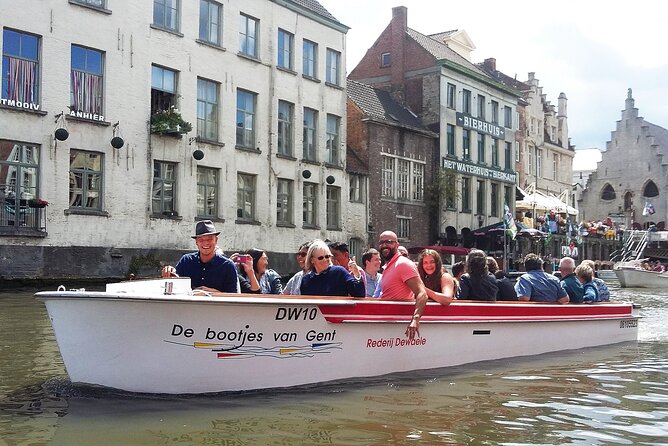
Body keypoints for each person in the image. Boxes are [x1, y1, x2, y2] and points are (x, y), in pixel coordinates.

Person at [160, 220, 239, 293]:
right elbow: (175, 287)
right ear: (196, 242)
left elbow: (234, 298)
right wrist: (169, 273)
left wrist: (214, 294)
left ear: (216, 240)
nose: (205, 243)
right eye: (201, 239)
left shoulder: (228, 266)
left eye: (209, 239)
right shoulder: (186, 261)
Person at [377, 231, 428, 340]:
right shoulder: (388, 266)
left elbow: (422, 293)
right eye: (381, 242)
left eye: (388, 242)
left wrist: (415, 319)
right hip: (388, 323)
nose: (384, 245)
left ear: (397, 245)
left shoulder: (403, 264)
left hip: (399, 325)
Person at [300, 239, 365, 297]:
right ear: (312, 260)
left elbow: (359, 294)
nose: (325, 260)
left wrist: (356, 273)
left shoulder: (339, 272)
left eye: (327, 256)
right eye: (321, 258)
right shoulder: (306, 280)